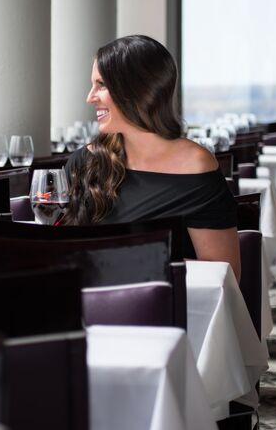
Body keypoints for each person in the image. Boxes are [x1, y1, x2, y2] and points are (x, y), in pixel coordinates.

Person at [64, 34, 241, 280]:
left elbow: (224, 272)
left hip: (164, 310)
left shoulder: (194, 167)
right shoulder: (85, 162)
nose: (90, 97)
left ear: (136, 89)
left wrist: (123, 261)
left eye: (101, 85)